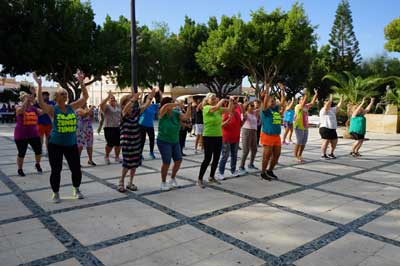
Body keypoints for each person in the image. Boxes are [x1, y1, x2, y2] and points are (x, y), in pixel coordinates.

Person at [34, 70, 89, 203]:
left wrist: (81, 83)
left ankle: (76, 189)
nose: (65, 95)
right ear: (56, 97)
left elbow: (85, 97)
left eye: (65, 93)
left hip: (71, 144)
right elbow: (41, 103)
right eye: (62, 93)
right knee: (56, 170)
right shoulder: (53, 109)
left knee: (76, 169)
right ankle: (56, 193)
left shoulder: (72, 107)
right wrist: (39, 86)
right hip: (56, 145)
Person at [117, 89, 157, 192]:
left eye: (132, 104)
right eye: (129, 103)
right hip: (126, 143)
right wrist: (133, 99)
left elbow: (146, 105)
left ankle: (130, 182)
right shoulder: (123, 114)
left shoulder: (136, 113)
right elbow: (126, 109)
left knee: (135, 163)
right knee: (127, 163)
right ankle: (121, 181)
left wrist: (150, 97)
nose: (131, 106)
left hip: (136, 142)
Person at [197, 93, 233, 188]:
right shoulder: (206, 108)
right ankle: (200, 179)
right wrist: (222, 100)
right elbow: (215, 108)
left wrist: (231, 101)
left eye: (214, 98)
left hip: (218, 136)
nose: (214, 100)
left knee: (216, 158)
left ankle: (211, 177)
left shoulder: (218, 109)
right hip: (208, 136)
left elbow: (229, 110)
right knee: (207, 158)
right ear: (207, 101)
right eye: (212, 99)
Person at [157, 97, 192, 191]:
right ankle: (163, 182)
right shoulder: (162, 112)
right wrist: (178, 104)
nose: (174, 104)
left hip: (175, 141)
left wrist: (189, 106)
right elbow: (165, 106)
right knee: (166, 162)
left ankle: (172, 179)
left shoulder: (176, 113)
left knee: (178, 160)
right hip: (164, 141)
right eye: (172, 102)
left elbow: (186, 117)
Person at [260, 83, 286, 180]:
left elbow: (282, 102)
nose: (274, 102)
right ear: (266, 102)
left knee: (277, 155)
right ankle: (263, 172)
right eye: (272, 101)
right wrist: (266, 91)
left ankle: (270, 170)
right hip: (267, 135)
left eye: (274, 100)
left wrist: (282, 91)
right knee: (266, 156)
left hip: (276, 136)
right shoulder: (265, 111)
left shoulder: (275, 109)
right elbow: (264, 104)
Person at [14, 91, 43, 176]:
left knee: (38, 150)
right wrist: (26, 100)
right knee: (21, 152)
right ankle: (20, 169)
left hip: (34, 134)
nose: (28, 99)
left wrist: (38, 102)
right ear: (22, 100)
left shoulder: (34, 108)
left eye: (28, 98)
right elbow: (21, 111)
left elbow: (43, 112)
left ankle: (37, 164)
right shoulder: (18, 106)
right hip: (21, 135)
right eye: (25, 98)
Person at [215, 97, 242, 180]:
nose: (236, 105)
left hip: (235, 138)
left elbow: (240, 125)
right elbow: (221, 125)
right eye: (234, 103)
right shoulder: (225, 113)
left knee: (234, 155)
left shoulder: (237, 113)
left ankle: (233, 171)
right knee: (225, 156)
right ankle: (220, 172)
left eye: (236, 103)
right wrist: (228, 120)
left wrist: (244, 121)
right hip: (226, 138)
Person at [293, 88, 318, 163]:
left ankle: (300, 155)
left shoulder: (306, 106)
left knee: (304, 142)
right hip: (299, 126)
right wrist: (306, 94)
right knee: (299, 142)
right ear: (299, 101)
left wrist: (316, 94)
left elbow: (312, 103)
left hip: (305, 126)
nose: (304, 100)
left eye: (304, 99)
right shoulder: (298, 106)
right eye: (302, 99)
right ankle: (296, 156)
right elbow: (303, 103)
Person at [100, 91, 122, 164]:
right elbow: (101, 104)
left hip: (117, 127)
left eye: (114, 98)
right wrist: (108, 97)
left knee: (118, 143)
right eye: (111, 99)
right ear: (109, 100)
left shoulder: (118, 106)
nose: (112, 100)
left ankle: (117, 157)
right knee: (110, 143)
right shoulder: (107, 107)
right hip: (108, 127)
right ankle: (106, 156)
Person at [238, 101, 259, 175]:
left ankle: (251, 164)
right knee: (246, 150)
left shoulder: (254, 114)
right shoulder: (245, 114)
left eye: (253, 105)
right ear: (247, 107)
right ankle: (241, 166)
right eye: (251, 105)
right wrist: (241, 107)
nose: (253, 107)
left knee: (254, 149)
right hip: (246, 131)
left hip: (254, 132)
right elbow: (243, 117)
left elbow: (261, 108)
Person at [319, 94, 343, 159]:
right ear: (324, 103)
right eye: (327, 102)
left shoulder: (332, 110)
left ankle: (331, 153)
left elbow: (338, 106)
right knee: (326, 141)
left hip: (332, 129)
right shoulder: (323, 110)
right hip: (325, 128)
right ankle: (323, 154)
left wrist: (341, 99)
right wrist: (331, 98)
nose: (329, 103)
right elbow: (327, 105)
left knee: (335, 141)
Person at [139, 92, 159, 159]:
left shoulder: (153, 106)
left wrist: (160, 94)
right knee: (142, 140)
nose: (150, 99)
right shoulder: (143, 105)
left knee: (152, 139)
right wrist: (141, 93)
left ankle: (151, 152)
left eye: (151, 98)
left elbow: (160, 103)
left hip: (150, 125)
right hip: (142, 124)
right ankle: (140, 153)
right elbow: (140, 102)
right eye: (149, 98)